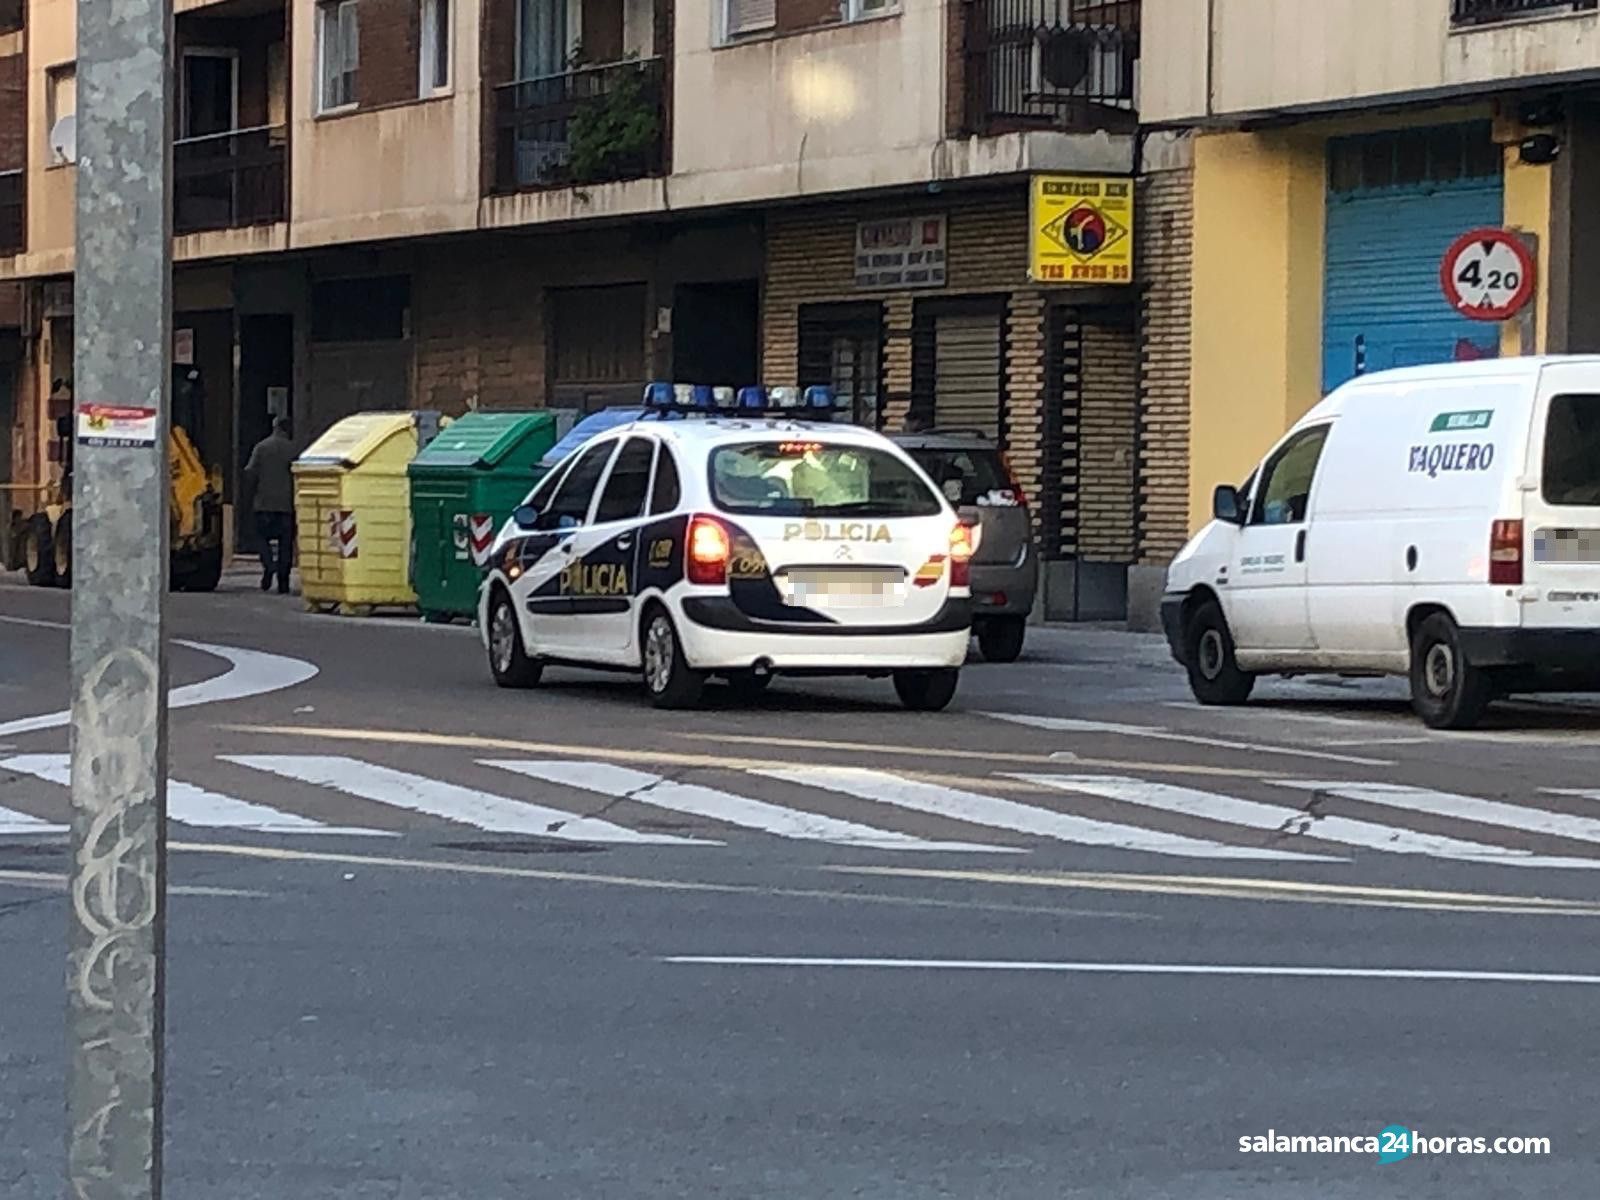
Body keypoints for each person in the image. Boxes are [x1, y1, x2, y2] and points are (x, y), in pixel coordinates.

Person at [244, 418, 297, 594]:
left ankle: (268, 564)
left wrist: (251, 494)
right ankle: (283, 582)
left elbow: (250, 472)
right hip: (287, 505)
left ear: (274, 427)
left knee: (260, 537)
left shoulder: (261, 447)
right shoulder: (293, 449)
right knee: (286, 544)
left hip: (264, 503)